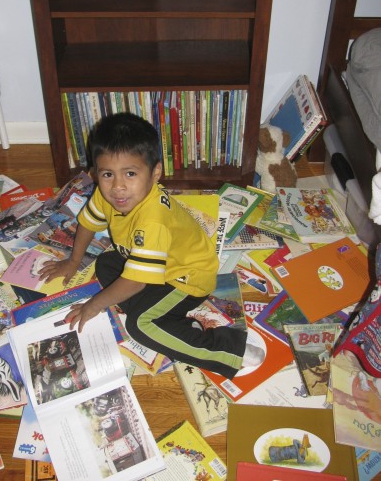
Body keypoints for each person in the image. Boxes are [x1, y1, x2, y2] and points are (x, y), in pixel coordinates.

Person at [39, 112, 253, 379]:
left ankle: (227, 349)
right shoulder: (108, 194)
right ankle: (166, 318)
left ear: (155, 173)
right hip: (156, 270)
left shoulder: (153, 221)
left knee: (139, 326)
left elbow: (135, 283)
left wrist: (94, 305)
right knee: (106, 263)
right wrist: (73, 262)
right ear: (95, 174)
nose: (118, 187)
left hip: (186, 278)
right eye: (108, 174)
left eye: (130, 173)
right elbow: (88, 223)